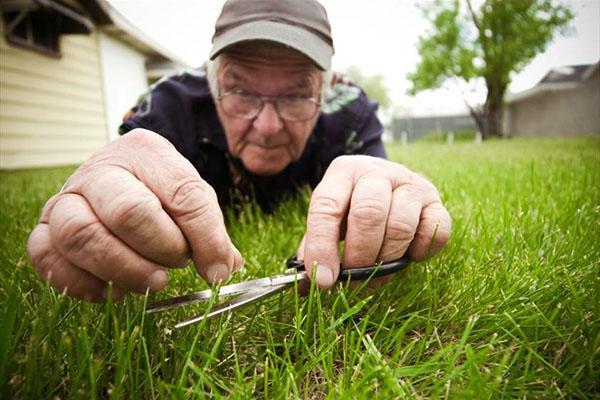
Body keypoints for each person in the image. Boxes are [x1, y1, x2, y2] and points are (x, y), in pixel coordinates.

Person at [27, 0, 451, 302]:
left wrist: (391, 194)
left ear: (326, 89)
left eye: (295, 95)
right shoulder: (168, 107)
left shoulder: (351, 111)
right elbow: (121, 171)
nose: (267, 127)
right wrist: (98, 196)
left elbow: (381, 179)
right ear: (211, 82)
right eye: (241, 90)